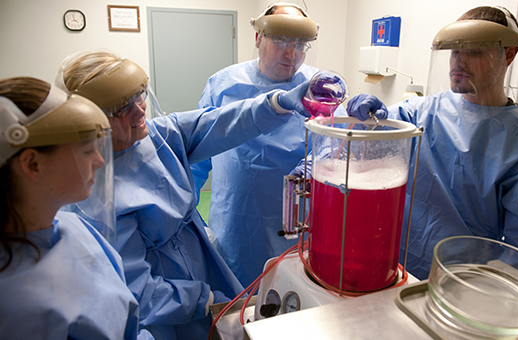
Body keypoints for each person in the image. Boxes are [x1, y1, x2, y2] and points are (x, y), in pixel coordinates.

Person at [57, 49, 311, 340]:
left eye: (140, 96)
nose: (140, 111)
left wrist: (276, 103)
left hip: (199, 271)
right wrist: (200, 300)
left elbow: (221, 122)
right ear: (89, 118)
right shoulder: (92, 188)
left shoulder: (157, 134)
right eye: (121, 108)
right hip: (166, 307)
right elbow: (138, 288)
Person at [346, 6, 518, 280]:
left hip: (459, 290)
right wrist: (362, 118)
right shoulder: (420, 113)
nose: (459, 61)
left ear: (509, 54)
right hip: (388, 272)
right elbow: (353, 139)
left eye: (473, 51)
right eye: (454, 51)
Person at [194, 2, 347, 287]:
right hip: (236, 222)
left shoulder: (319, 89)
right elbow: (196, 154)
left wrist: (313, 163)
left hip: (295, 223)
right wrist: (187, 214)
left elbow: (332, 145)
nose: (291, 54)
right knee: (237, 302)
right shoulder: (223, 85)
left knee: (291, 297)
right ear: (258, 38)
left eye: (301, 44)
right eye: (280, 41)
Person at [0, 77, 152, 339]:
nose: (100, 160)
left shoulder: (74, 227)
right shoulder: (14, 306)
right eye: (86, 151)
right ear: (33, 164)